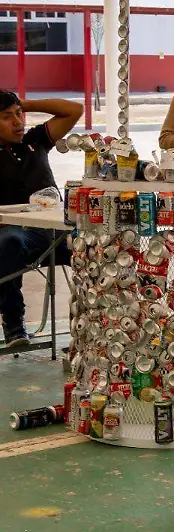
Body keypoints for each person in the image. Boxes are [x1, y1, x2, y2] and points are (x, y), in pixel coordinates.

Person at [0, 91, 81, 347]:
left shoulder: (35, 140)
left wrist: (23, 103)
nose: (17, 122)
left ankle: (90, 323)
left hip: (54, 230)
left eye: (18, 114)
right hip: (14, 232)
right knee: (9, 241)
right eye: (6, 117)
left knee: (92, 243)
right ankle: (14, 324)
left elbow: (73, 110)